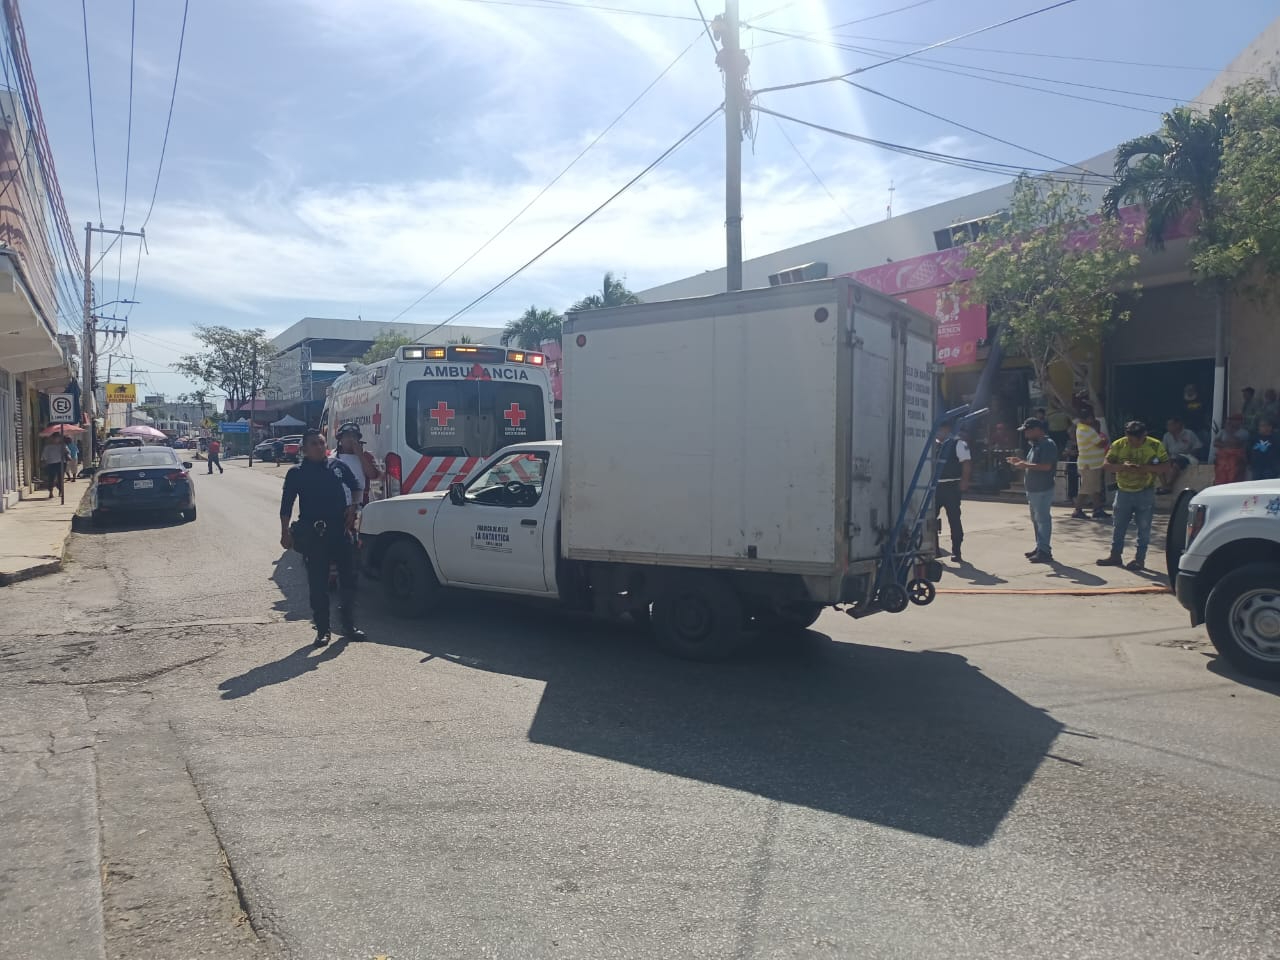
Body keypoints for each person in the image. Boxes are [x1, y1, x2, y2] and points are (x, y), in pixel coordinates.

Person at [280, 430, 364, 646]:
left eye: (321, 442)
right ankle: (323, 629)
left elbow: (356, 486)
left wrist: (353, 507)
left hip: (340, 530)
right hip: (314, 534)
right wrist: (284, 531)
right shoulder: (296, 473)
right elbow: (287, 504)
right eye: (314, 444)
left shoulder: (337, 467)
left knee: (349, 579)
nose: (319, 446)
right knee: (318, 584)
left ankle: (348, 624)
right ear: (304, 449)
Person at [1097, 421, 1170, 571]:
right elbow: (1106, 465)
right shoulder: (1118, 445)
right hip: (1123, 491)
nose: (1132, 442)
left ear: (1144, 435)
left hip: (1145, 491)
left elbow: (1165, 466)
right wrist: (1123, 467)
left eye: (1135, 439)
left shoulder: (1155, 445)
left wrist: (1145, 469)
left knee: (1144, 528)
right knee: (1119, 526)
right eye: (1130, 439)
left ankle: (1139, 559)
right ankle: (1115, 555)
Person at [1006, 417, 1058, 564]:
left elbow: (1046, 466)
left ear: (1037, 430)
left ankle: (1044, 551)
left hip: (1042, 488)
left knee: (1043, 520)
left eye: (1028, 431)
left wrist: (1024, 465)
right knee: (1036, 520)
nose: (1025, 435)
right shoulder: (1036, 445)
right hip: (1033, 489)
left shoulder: (1047, 445)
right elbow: (1032, 463)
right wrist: (1020, 462)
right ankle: (1040, 547)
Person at [933, 422, 971, 563]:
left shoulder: (958, 443)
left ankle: (956, 551)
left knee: (954, 519)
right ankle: (934, 550)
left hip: (951, 487)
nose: (938, 432)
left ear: (947, 429)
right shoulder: (934, 445)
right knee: (931, 521)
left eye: (940, 429)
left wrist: (964, 481)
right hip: (935, 487)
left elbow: (966, 463)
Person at [1070, 408, 1110, 520]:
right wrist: (1104, 439)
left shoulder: (1083, 428)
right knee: (1086, 488)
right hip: (1089, 464)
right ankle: (1077, 510)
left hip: (1093, 463)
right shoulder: (1086, 430)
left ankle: (1097, 509)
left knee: (1094, 488)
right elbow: (1100, 444)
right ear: (1088, 418)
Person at [1159, 416, 1202, 493]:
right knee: (1158, 463)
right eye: (1167, 425)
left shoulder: (1189, 433)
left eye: (1170, 425)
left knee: (1177, 463)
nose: (1168, 427)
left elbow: (1198, 447)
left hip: (1187, 457)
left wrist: (1189, 453)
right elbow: (1163, 450)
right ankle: (1164, 485)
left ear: (1178, 424)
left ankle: (1169, 485)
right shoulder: (1166, 436)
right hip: (1171, 457)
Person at [1213, 414, 1251, 485]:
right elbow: (1215, 443)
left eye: (1235, 420)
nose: (1231, 421)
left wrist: (1229, 432)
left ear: (1240, 421)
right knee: (1221, 479)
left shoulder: (1244, 432)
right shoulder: (1222, 431)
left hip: (1236, 459)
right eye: (1231, 420)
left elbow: (1236, 443)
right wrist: (1226, 445)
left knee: (1234, 479)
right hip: (1222, 460)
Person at [40, 434, 67, 498]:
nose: (56, 439)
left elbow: (67, 452)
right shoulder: (48, 447)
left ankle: (61, 491)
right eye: (55, 438)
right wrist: (43, 462)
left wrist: (65, 451)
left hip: (61, 463)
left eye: (58, 438)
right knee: (51, 478)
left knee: (60, 478)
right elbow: (44, 456)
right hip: (51, 463)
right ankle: (51, 492)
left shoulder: (62, 445)